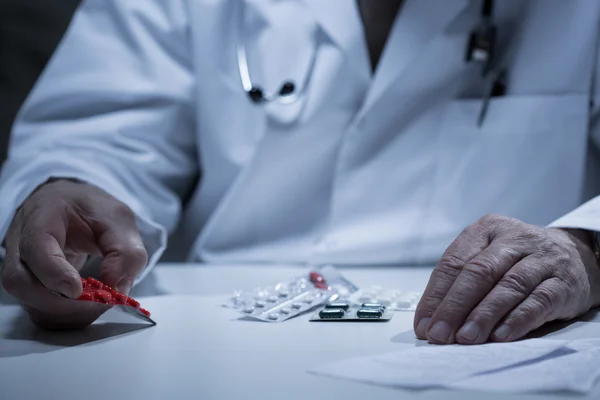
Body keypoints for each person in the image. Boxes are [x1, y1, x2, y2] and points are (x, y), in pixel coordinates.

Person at [1, 0, 600, 345]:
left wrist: (587, 247)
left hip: (498, 347)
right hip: (216, 343)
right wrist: (69, 194)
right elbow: (100, 131)